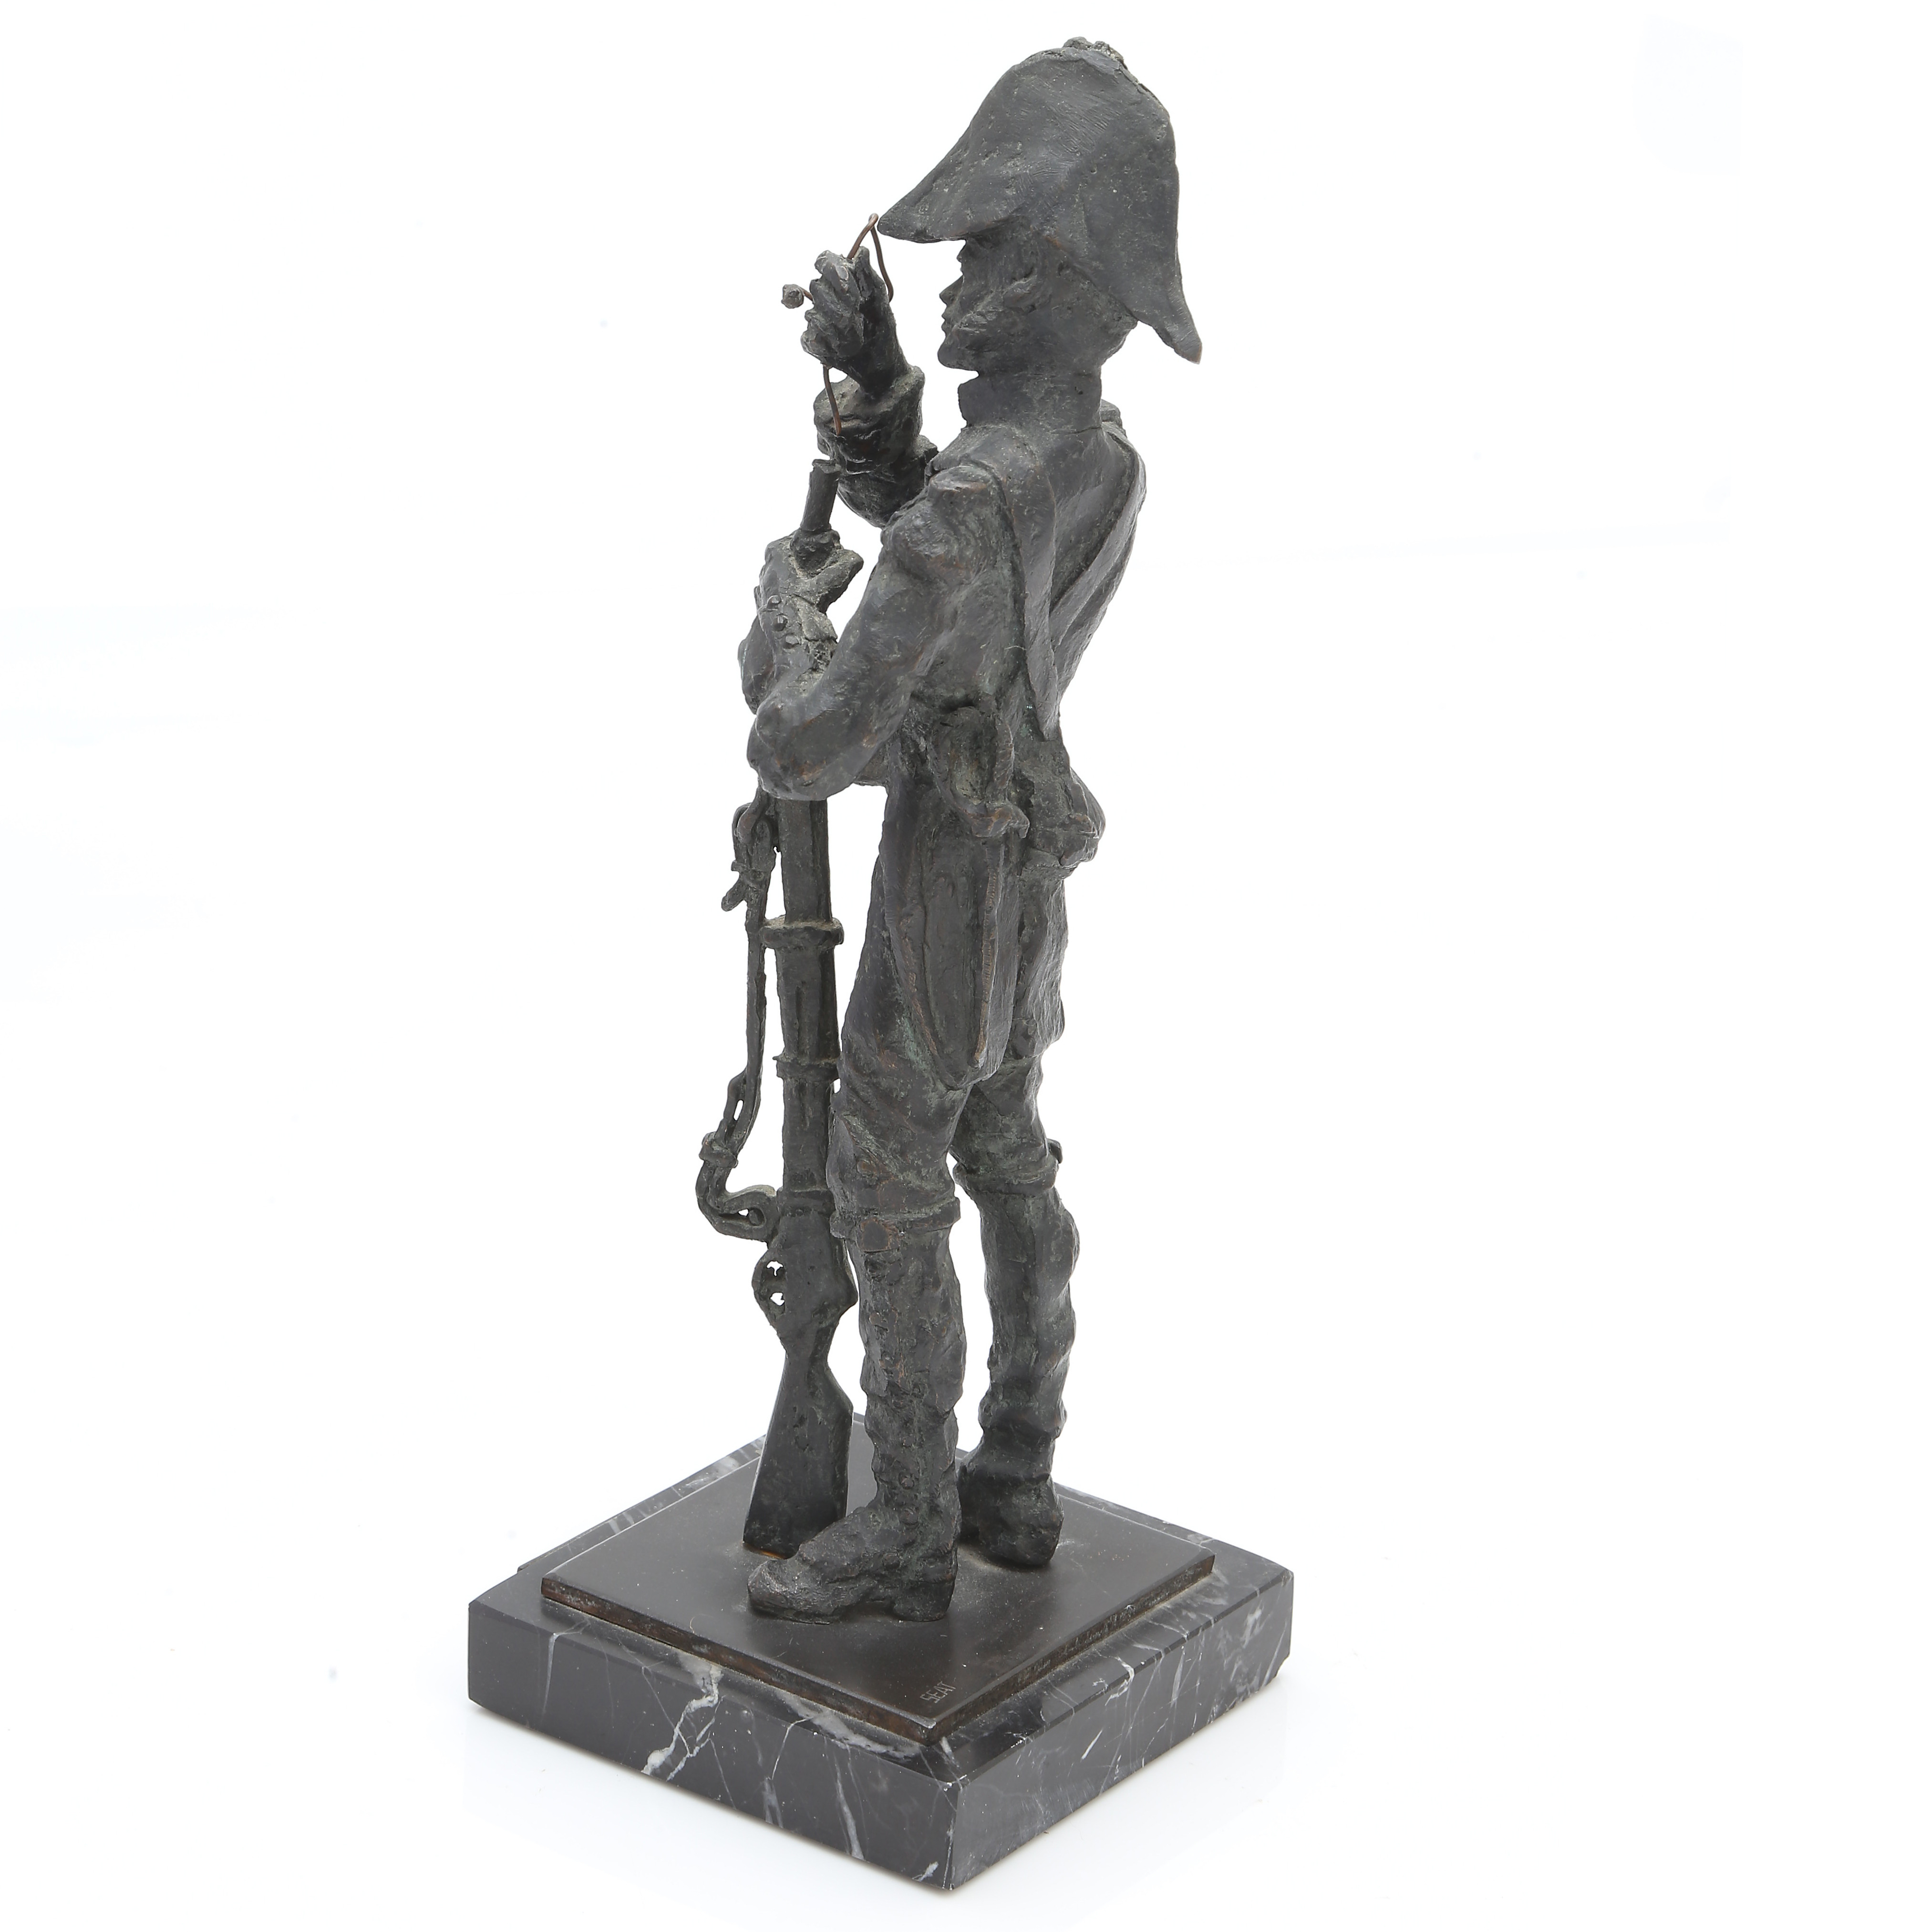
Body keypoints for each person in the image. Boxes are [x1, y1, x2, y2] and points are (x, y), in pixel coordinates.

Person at [737, 40, 1199, 1621]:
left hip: (945, 878)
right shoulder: (1103, 461)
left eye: (990, 256)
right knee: (1005, 1153)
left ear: (1062, 283)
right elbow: (970, 565)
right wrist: (879, 393)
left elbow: (807, 744)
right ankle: (1016, 1467)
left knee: (893, 1185)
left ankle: (910, 1520)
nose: (956, 279)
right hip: (1027, 872)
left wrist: (782, 624)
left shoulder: (964, 515)